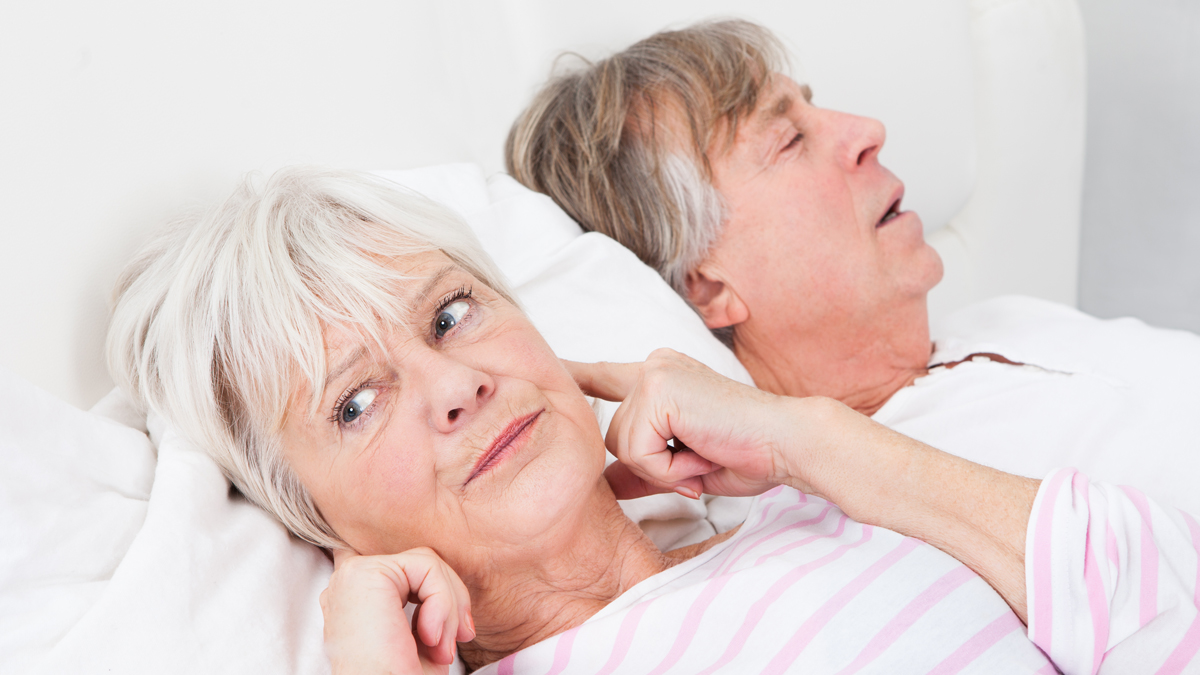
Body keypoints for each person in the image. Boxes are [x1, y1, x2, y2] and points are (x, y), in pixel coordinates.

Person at [107, 167, 1200, 673]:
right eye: (355, 402)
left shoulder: (813, 507)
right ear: (323, 527)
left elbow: (1163, 607)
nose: (453, 385)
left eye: (452, 313)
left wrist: (806, 437)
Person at [505, 19, 1200, 515]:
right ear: (706, 285)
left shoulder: (1009, 321)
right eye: (788, 139)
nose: (867, 130)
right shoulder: (875, 518)